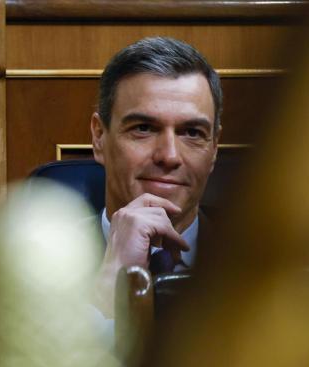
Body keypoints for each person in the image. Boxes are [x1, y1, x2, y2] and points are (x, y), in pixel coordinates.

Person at [89, 37, 223, 318]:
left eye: (192, 133)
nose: (170, 156)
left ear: (213, 149)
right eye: (144, 128)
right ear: (100, 137)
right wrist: (110, 281)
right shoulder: (31, 266)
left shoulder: (266, 267)